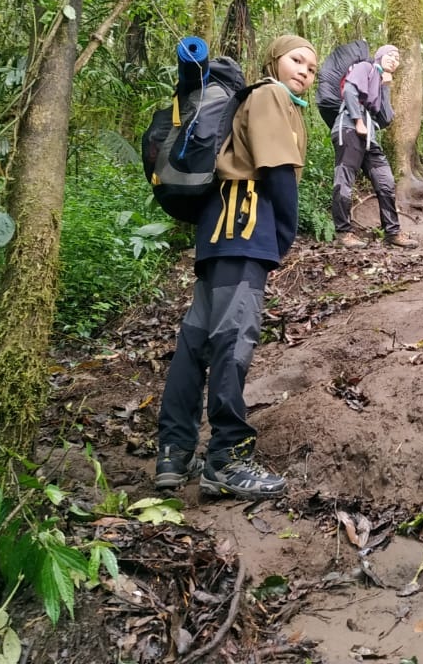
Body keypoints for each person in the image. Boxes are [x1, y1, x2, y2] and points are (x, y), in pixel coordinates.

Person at [155, 34, 318, 501]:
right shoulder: (269, 95)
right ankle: (227, 458)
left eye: (311, 65)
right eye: (296, 59)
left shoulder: (267, 98)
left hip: (218, 228)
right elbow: (279, 171)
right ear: (274, 60)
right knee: (233, 336)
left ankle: (174, 451)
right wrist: (284, 231)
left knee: (197, 339)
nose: (305, 70)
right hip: (244, 223)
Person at [330, 43, 418, 249]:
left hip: (369, 136)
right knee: (344, 179)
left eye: (397, 58)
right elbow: (350, 92)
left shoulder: (380, 80)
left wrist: (386, 87)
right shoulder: (364, 67)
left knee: (385, 181)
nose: (394, 59)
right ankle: (343, 232)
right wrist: (358, 121)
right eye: (390, 55)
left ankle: (392, 232)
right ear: (379, 56)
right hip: (349, 128)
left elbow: (386, 118)